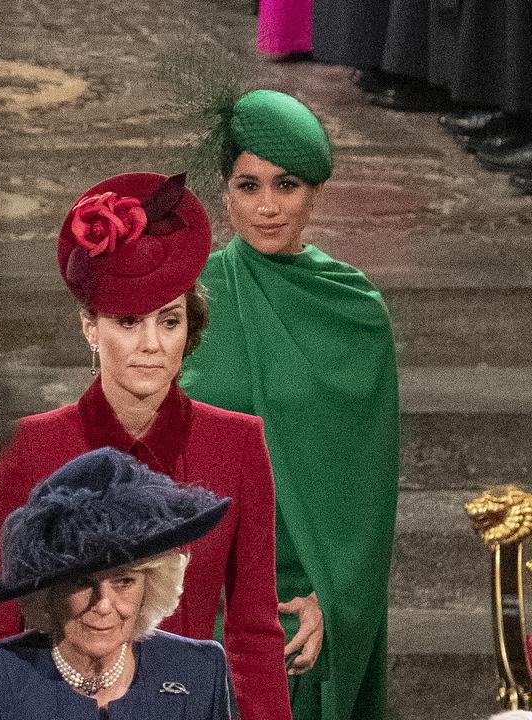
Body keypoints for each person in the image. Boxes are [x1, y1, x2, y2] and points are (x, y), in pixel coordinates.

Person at [0, 171, 291, 720]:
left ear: (191, 329)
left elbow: (254, 632)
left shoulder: (237, 445)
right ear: (90, 327)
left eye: (170, 321)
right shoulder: (33, 448)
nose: (151, 346)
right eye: (128, 322)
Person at [181, 89, 399, 720]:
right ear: (224, 192)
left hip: (303, 596)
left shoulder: (355, 312)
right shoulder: (193, 298)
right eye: (248, 186)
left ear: (315, 194)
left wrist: (332, 598)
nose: (268, 207)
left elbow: (369, 492)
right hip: (200, 583)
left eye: (287, 184)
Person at [0, 447, 234, 719]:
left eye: (124, 581)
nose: (103, 604)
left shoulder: (199, 670)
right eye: (81, 582)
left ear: (152, 586)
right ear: (47, 592)